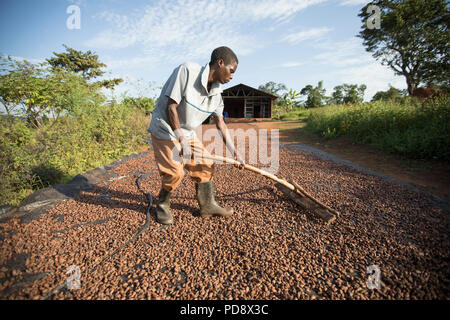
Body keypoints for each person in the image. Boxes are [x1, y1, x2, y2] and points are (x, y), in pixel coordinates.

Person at [147, 46, 245, 225]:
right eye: (231, 71)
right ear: (220, 63)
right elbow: (171, 107)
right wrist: (181, 141)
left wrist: (235, 152)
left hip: (187, 132)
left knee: (205, 163)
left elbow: (220, 123)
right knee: (175, 172)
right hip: (165, 127)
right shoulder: (187, 71)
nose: (232, 76)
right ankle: (162, 204)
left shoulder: (217, 94)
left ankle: (207, 205)